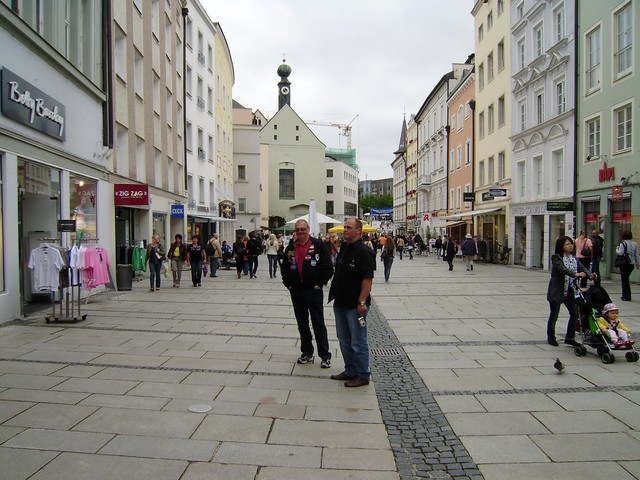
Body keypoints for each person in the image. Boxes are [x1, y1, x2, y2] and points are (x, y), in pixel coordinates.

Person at [328, 218, 375, 387]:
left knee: (358, 341)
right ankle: (350, 370)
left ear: (358, 231)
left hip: (355, 305)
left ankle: (362, 374)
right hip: (340, 302)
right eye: (344, 227)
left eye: (349, 227)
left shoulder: (364, 252)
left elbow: (367, 279)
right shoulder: (344, 248)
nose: (345, 230)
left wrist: (362, 302)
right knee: (344, 339)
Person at [281, 219, 334, 368]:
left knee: (318, 323)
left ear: (308, 229)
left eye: (303, 229)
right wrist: (289, 284)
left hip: (313, 290)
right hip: (297, 291)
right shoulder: (290, 248)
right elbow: (284, 268)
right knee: (302, 324)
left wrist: (319, 284)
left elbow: (328, 267)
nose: (300, 232)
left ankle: (325, 355)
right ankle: (307, 352)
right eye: (297, 230)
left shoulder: (319, 246)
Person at [546, 236, 595, 347]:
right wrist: (575, 274)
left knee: (574, 313)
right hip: (557, 290)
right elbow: (563, 269)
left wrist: (591, 276)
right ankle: (551, 337)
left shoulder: (574, 258)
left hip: (570, 291)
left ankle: (569, 337)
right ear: (561, 246)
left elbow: (583, 268)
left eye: (571, 244)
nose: (570, 246)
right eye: (567, 244)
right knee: (554, 315)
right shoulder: (556, 258)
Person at [617, 230, 640, 301]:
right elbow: (636, 254)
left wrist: (617, 249)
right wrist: (637, 263)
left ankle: (625, 296)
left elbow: (620, 253)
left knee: (624, 280)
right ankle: (627, 295)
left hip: (624, 263)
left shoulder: (622, 244)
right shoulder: (635, 244)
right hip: (631, 263)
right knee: (626, 279)